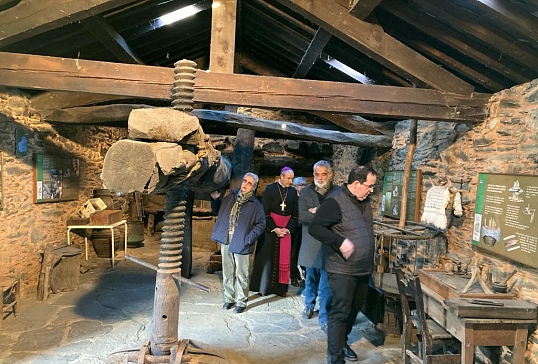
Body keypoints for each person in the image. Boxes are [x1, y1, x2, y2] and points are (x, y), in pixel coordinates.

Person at [309, 165, 377, 364]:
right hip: (342, 270)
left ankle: (342, 342)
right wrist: (339, 242)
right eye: (369, 186)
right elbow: (315, 228)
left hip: (363, 268)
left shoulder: (365, 202)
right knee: (340, 313)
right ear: (356, 184)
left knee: (354, 310)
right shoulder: (334, 202)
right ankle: (336, 358)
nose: (371, 190)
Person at [210, 172, 266, 314]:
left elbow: (261, 224)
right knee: (228, 272)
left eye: (249, 183)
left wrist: (249, 239)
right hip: (227, 239)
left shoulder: (256, 205)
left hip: (242, 241)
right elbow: (218, 211)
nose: (245, 185)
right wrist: (216, 200)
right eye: (244, 181)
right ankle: (229, 298)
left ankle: (241, 301)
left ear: (254, 187)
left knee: (242, 274)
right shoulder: (231, 197)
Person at [297, 160, 338, 333]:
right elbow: (303, 216)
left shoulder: (337, 192)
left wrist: (317, 211)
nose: (320, 178)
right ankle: (309, 304)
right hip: (311, 241)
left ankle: (324, 315)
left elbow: (338, 215)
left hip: (328, 243)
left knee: (326, 281)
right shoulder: (306, 192)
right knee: (310, 277)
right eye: (316, 174)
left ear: (330, 174)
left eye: (323, 174)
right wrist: (323, 214)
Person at [250, 166, 298, 297]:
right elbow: (264, 212)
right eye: (288, 178)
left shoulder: (293, 192)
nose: (291, 181)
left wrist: (287, 228)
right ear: (281, 177)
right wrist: (275, 228)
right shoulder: (270, 189)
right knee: (267, 259)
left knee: (283, 259)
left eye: (292, 178)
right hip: (270, 230)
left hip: (285, 230)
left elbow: (295, 213)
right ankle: (264, 287)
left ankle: (280, 289)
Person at [290, 176, 307, 287]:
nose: (302, 187)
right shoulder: (291, 199)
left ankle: (304, 274)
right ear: (295, 186)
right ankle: (294, 275)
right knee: (294, 252)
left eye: (304, 184)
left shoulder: (307, 199)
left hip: (305, 229)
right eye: (300, 185)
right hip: (295, 229)